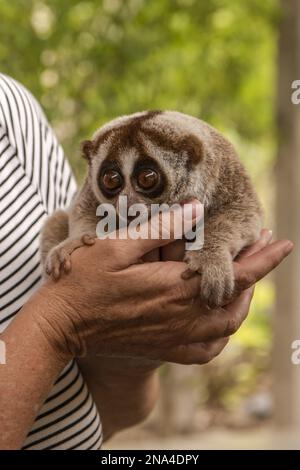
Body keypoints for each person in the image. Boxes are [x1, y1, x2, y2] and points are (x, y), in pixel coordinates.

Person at [0, 73, 293, 450]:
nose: (126, 199)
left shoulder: (15, 114)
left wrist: (139, 337)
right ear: (93, 165)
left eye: (147, 178)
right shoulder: (92, 187)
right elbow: (80, 218)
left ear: (189, 159)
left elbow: (244, 212)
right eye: (111, 181)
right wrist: (61, 318)